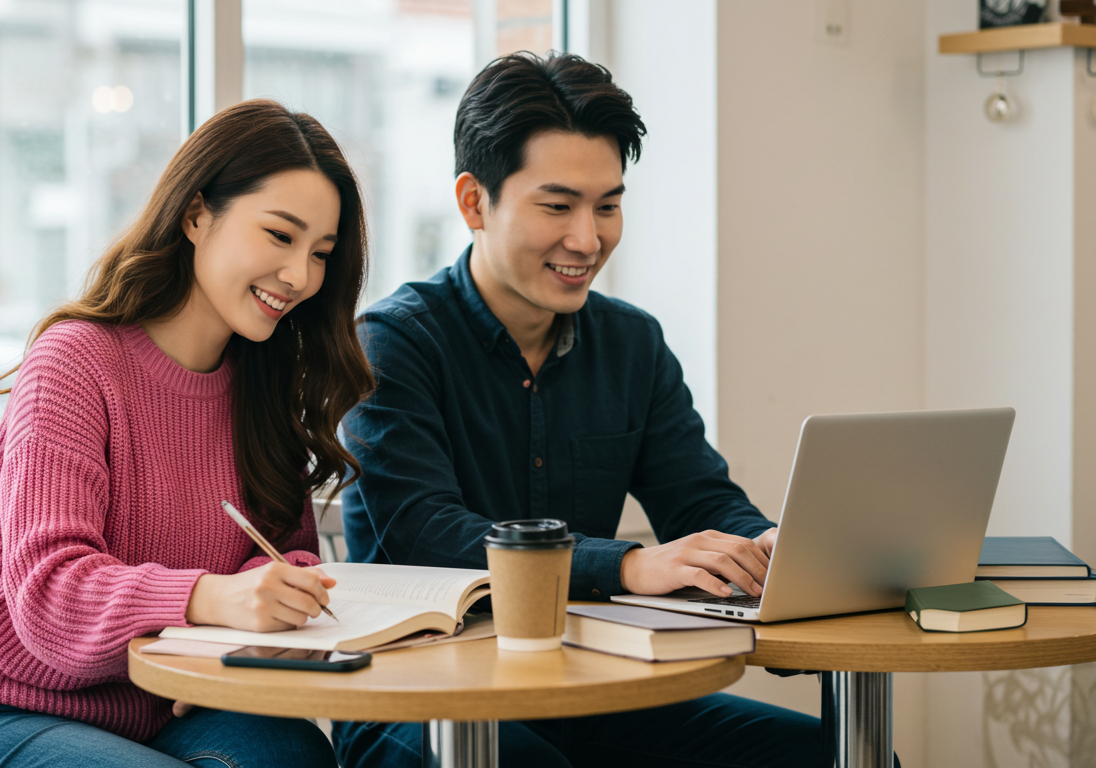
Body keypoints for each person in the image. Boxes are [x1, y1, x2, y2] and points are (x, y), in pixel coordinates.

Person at [333, 53, 873, 768]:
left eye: (608, 206)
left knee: (831, 757)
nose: (588, 240)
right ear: (473, 203)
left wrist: (768, 548)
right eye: (558, 207)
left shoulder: (632, 343)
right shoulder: (392, 342)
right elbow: (424, 532)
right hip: (413, 693)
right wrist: (628, 566)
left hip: (586, 688)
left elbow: (697, 499)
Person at [0, 99, 374, 768]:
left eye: (321, 254)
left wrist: (264, 606)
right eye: (280, 235)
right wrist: (210, 600)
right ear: (195, 214)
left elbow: (288, 555)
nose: (300, 276)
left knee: (297, 754)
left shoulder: (263, 381)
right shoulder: (75, 362)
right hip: (2, 712)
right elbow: (50, 594)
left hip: (168, 707)